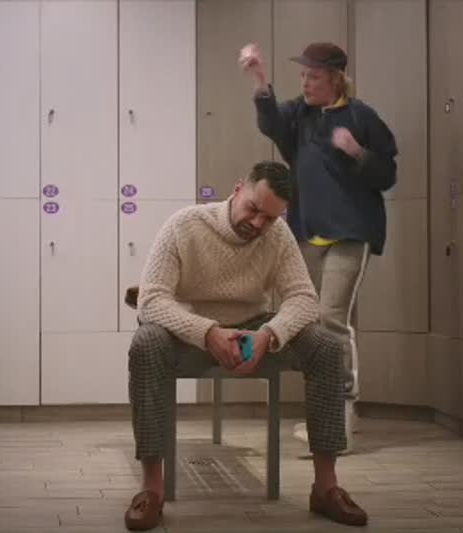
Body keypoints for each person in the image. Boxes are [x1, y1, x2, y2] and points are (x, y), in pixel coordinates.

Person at [122, 161, 368, 531]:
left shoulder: (278, 236)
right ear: (238, 189)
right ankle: (152, 489)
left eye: (269, 218)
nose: (257, 223)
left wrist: (267, 336)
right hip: (191, 333)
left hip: (254, 331)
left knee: (327, 347)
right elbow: (152, 300)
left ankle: (325, 487)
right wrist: (208, 332)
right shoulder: (184, 225)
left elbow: (304, 299)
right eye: (253, 208)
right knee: (146, 343)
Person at [240, 41, 399, 452]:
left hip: (351, 232)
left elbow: (387, 174)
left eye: (313, 76)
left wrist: (357, 152)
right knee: (310, 322)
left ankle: (338, 418)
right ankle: (329, 410)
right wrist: (259, 77)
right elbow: (271, 123)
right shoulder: (300, 116)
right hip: (308, 233)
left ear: (334, 79)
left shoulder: (362, 117)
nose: (305, 83)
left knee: (331, 320)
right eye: (303, 76)